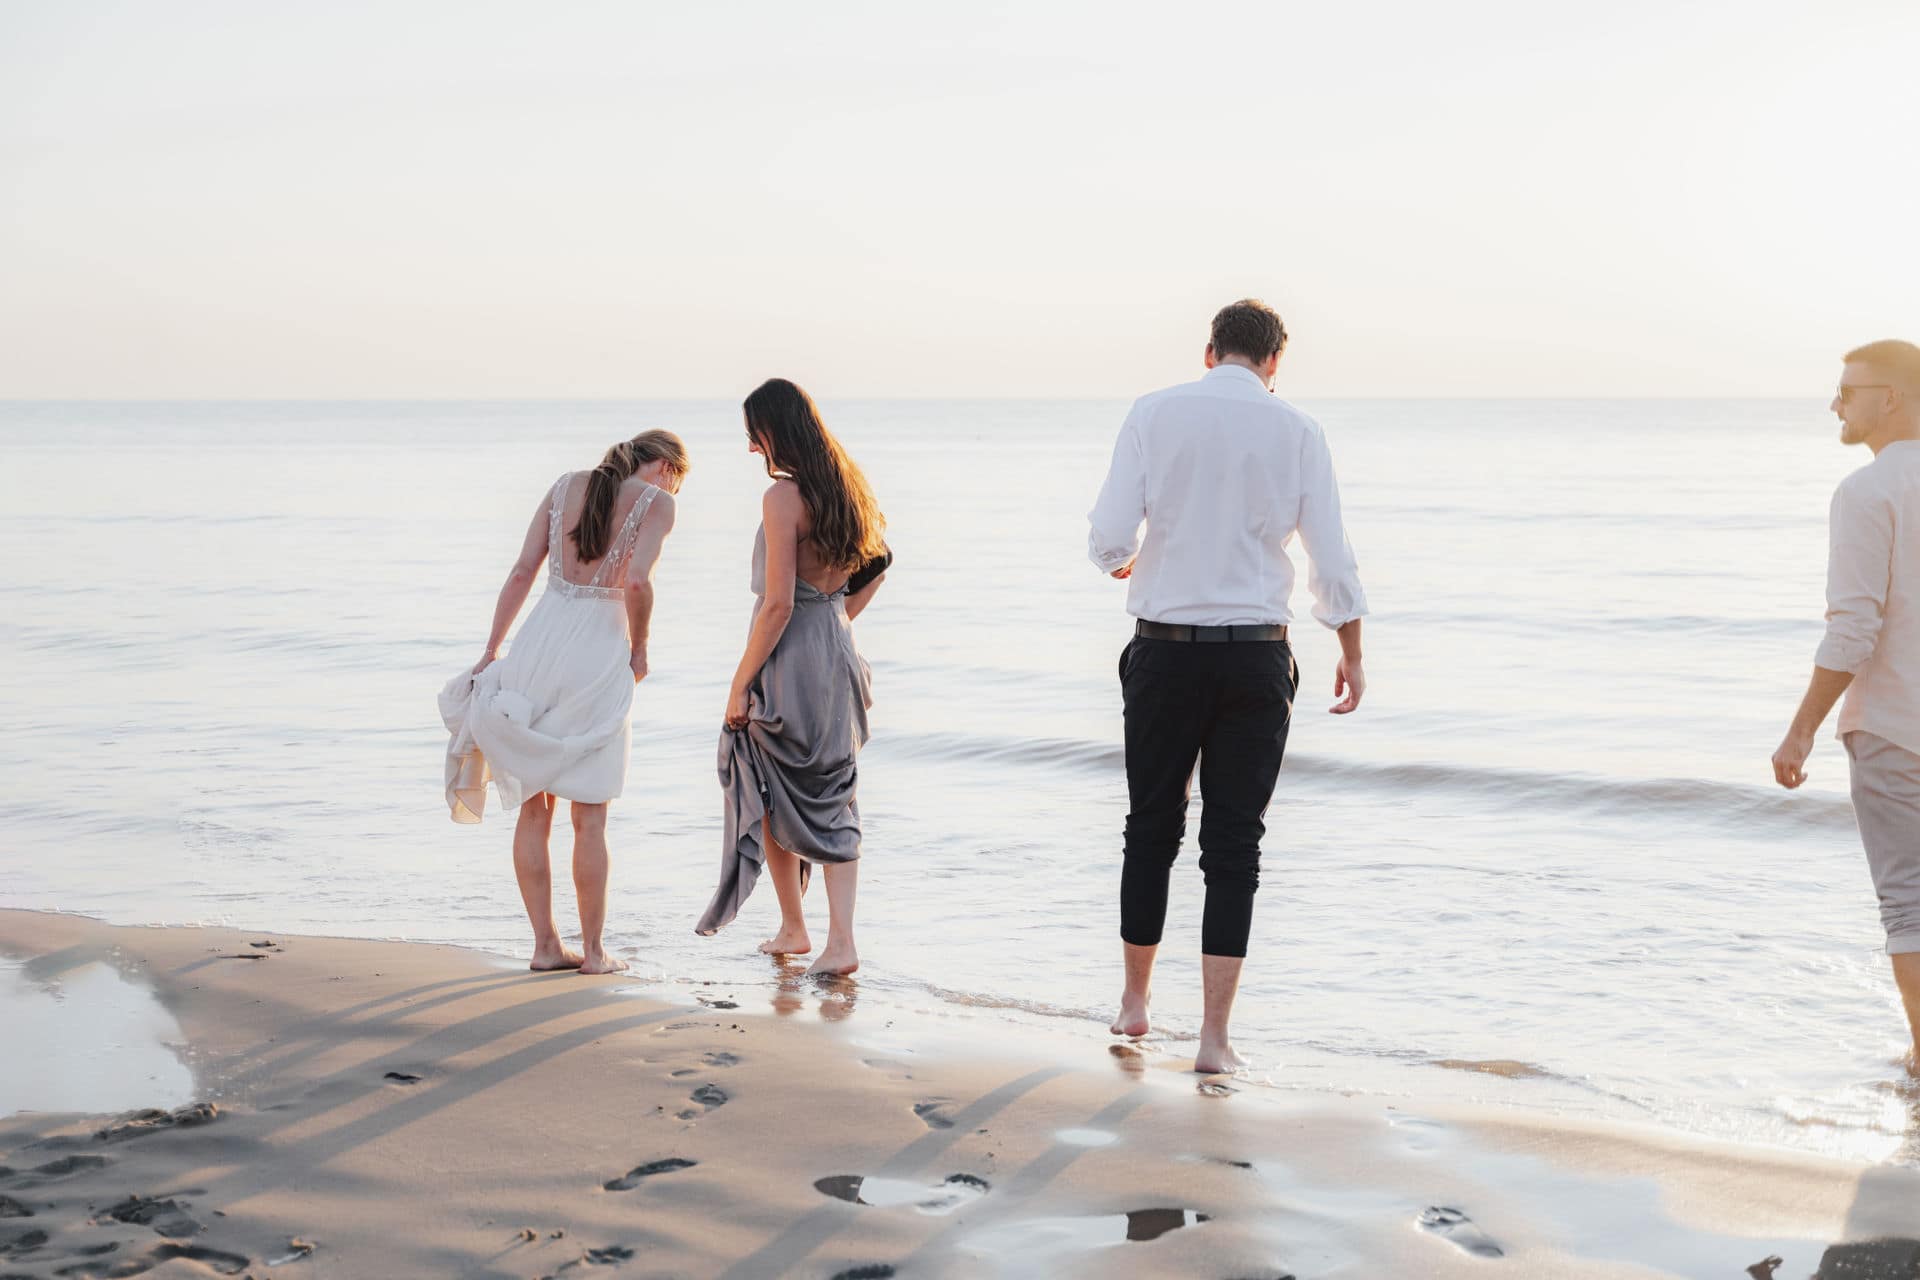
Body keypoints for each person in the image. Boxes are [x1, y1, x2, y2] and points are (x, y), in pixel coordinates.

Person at [1087, 298, 1369, 1073]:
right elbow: (1332, 559)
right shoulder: (1299, 431)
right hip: (1255, 658)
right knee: (1234, 846)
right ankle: (1213, 1041)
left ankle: (1135, 1006)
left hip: (1164, 654)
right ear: (1275, 361)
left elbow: (1111, 537)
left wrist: (1130, 564)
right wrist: (1350, 648)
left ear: (1209, 351)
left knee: (1150, 828)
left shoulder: (1153, 412)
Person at [440, 431, 686, 976]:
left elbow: (522, 571)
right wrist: (640, 649)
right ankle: (595, 953)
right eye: (678, 478)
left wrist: (491, 650)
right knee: (590, 818)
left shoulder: (563, 487)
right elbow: (639, 583)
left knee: (534, 809)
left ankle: (545, 945)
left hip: (536, 647)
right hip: (595, 655)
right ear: (665, 467)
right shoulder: (658, 503)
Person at [695, 379, 887, 977]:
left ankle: (801, 929)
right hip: (837, 650)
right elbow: (880, 562)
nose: (753, 448)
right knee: (835, 792)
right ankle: (827, 937)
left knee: (765, 780)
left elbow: (777, 603)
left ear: (774, 430)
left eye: (755, 434)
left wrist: (737, 685)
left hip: (790, 651)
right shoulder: (849, 483)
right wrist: (834, 620)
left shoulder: (783, 497)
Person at [1771, 339, 1920, 1074]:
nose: (1836, 403)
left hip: (1897, 729)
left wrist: (1800, 732)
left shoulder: (1867, 493)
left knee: (1909, 905)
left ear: (1890, 398)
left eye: (1849, 390)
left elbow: (1855, 628)